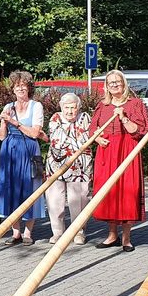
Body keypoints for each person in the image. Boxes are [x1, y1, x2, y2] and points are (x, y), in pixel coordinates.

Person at [91, 70, 148, 251]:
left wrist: (123, 117)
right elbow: (93, 128)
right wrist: (98, 138)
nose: (115, 85)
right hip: (107, 152)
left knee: (127, 191)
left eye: (118, 81)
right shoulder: (102, 105)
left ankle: (126, 238)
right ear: (106, 86)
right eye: (111, 82)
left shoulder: (135, 104)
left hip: (127, 150)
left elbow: (140, 131)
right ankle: (112, 235)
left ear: (124, 83)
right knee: (109, 192)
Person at [0, 70, 45, 246]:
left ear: (29, 88)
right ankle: (16, 232)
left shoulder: (36, 106)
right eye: (17, 86)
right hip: (9, 150)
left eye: (24, 85)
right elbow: (2, 137)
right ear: (13, 89)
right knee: (10, 188)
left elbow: (34, 133)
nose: (21, 89)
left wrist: (14, 122)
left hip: (28, 150)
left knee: (30, 189)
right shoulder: (8, 106)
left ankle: (28, 233)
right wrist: (3, 122)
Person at [44, 93, 93, 245]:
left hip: (80, 165)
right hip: (56, 163)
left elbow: (87, 138)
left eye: (73, 107)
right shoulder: (55, 118)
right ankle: (57, 232)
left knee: (79, 199)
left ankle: (78, 232)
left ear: (78, 107)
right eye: (67, 107)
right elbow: (57, 140)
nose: (70, 111)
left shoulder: (85, 118)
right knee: (54, 199)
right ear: (61, 107)